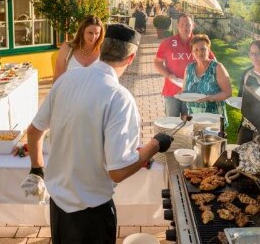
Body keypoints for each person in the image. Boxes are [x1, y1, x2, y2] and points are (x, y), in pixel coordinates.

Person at [25, 23, 173, 244]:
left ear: (101, 47)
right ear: (131, 58)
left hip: (58, 207)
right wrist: (155, 145)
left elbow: (35, 131)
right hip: (91, 213)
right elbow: (118, 171)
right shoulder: (119, 97)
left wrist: (37, 170)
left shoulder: (66, 80)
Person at [154, 13, 214, 117]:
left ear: (193, 25)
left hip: (193, 93)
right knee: (172, 125)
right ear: (177, 26)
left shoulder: (200, 44)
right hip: (172, 92)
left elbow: (213, 63)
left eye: (187, 24)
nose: (184, 27)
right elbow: (157, 62)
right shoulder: (167, 43)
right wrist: (168, 75)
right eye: (181, 24)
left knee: (189, 126)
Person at [181, 34, 232, 120]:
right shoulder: (189, 68)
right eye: (195, 50)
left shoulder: (217, 67)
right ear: (192, 52)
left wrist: (209, 98)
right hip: (193, 117)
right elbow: (185, 90)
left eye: (203, 49)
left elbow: (228, 93)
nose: (199, 52)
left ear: (209, 50)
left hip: (214, 118)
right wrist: (181, 94)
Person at [52, 15, 104, 83]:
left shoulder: (104, 51)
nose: (93, 37)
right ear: (82, 31)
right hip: (69, 93)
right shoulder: (67, 48)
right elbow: (57, 77)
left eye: (97, 33)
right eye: (90, 33)